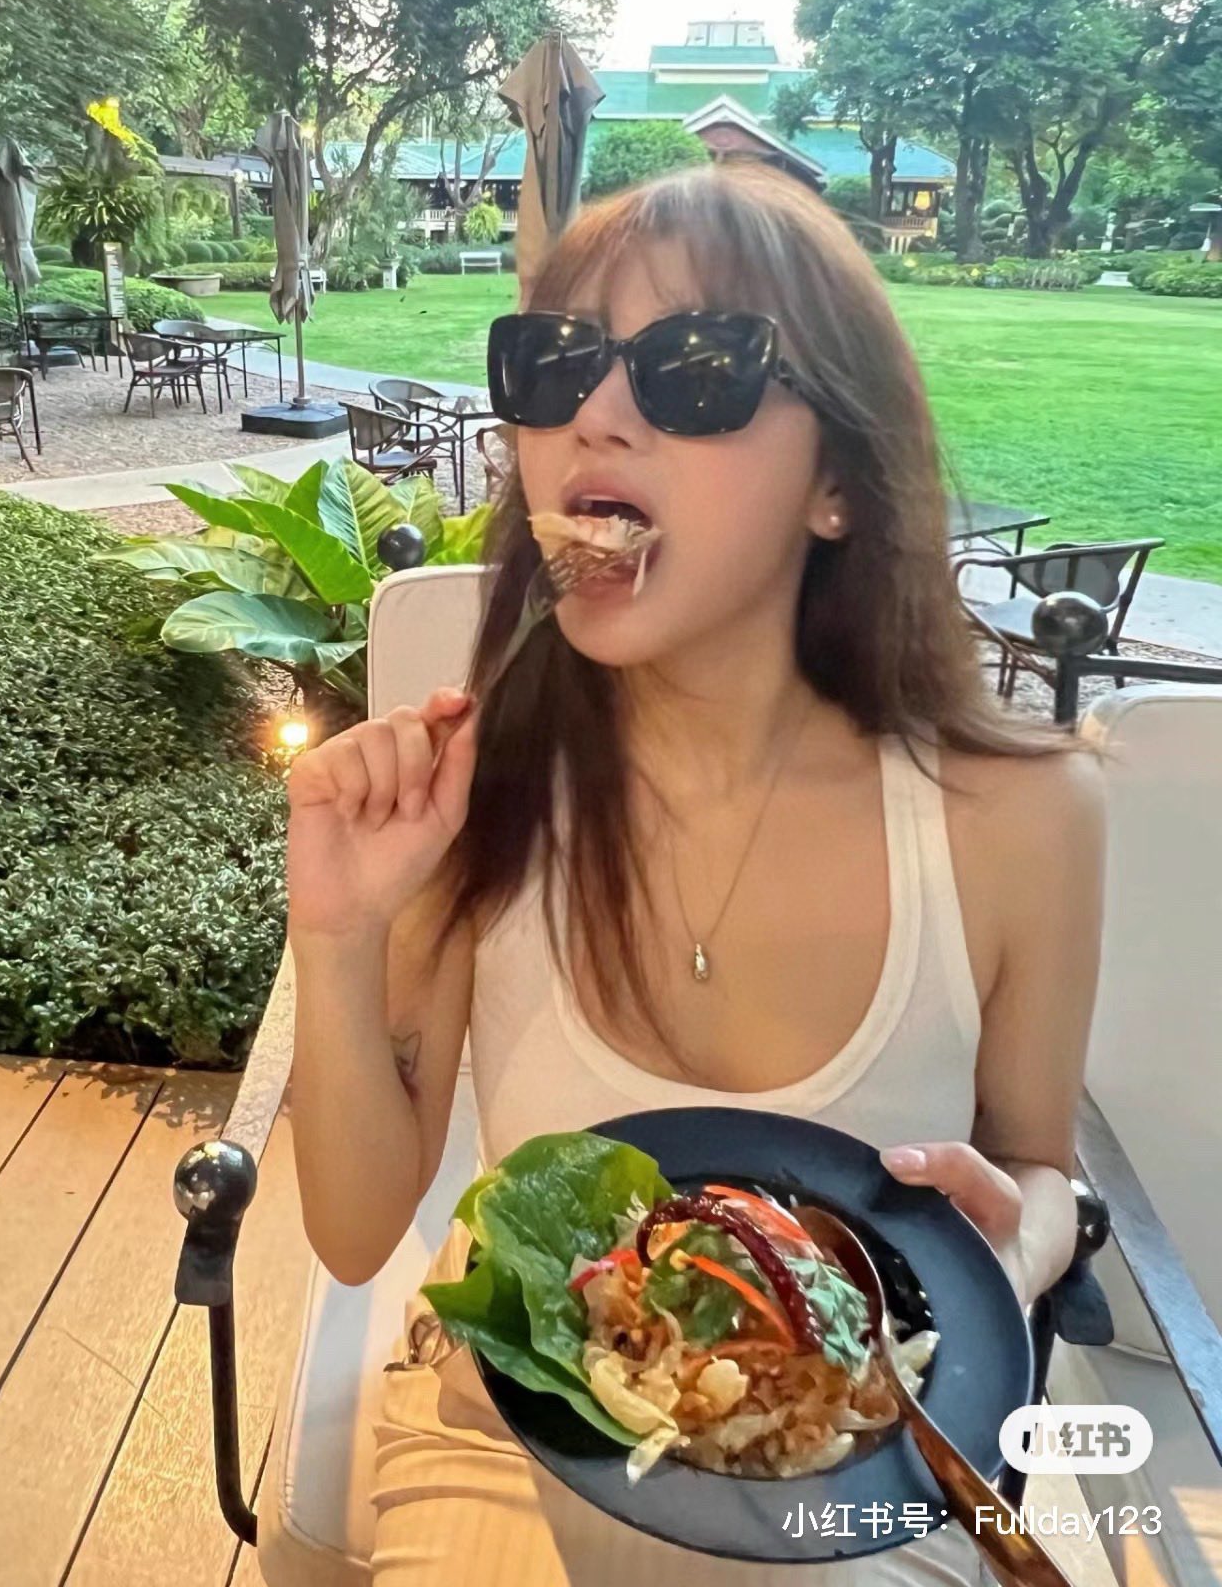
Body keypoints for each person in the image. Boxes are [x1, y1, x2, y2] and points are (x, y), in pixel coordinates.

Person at [280, 165, 1104, 1586]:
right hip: (509, 1446)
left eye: (695, 370)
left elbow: (1038, 1167)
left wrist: (1018, 1249)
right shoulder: (486, 793)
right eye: (554, 366)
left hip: (853, 1470)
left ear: (837, 485)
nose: (595, 416)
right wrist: (339, 934)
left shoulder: (1018, 817)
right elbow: (354, 1235)